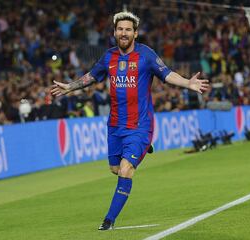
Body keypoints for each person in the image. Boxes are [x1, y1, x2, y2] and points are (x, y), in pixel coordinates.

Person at [50, 11, 209, 230]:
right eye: (120, 29)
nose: (123, 33)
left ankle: (109, 220)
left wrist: (187, 83)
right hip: (115, 126)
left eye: (127, 30)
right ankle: (145, 147)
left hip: (139, 125)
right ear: (114, 32)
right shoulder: (109, 57)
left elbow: (167, 73)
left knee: (126, 170)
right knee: (115, 168)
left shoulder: (146, 55)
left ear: (135, 33)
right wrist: (70, 87)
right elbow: (91, 76)